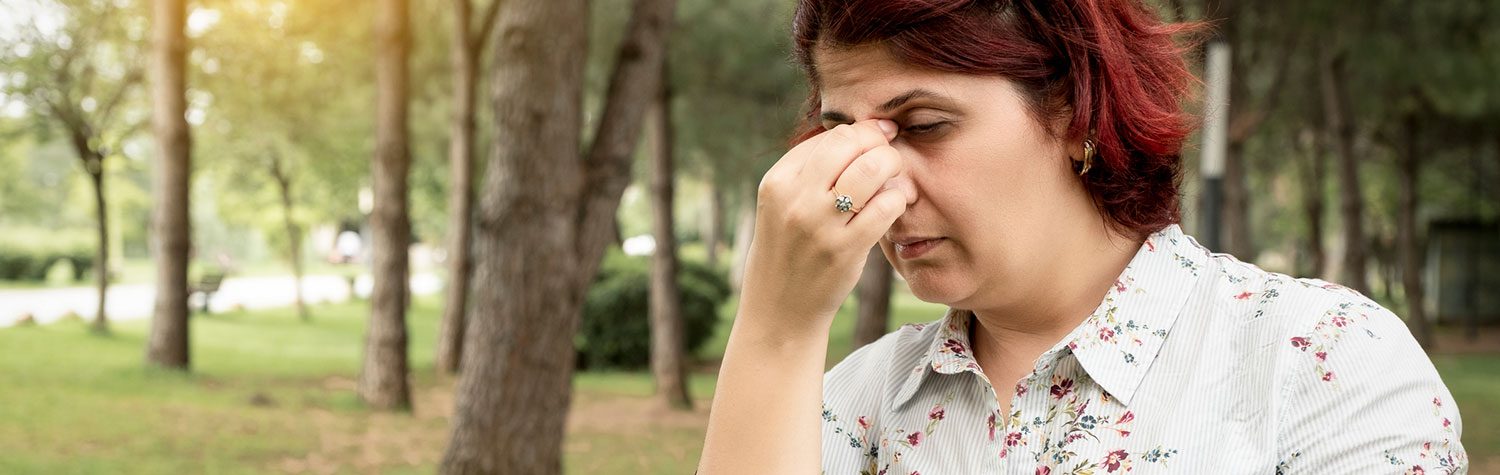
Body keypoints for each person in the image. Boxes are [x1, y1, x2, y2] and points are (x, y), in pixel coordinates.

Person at [696, 0, 1468, 473]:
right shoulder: (852, 403)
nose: (875, 184)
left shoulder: (1320, 362)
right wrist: (775, 328)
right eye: (843, 139)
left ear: (1072, 110)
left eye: (925, 126)